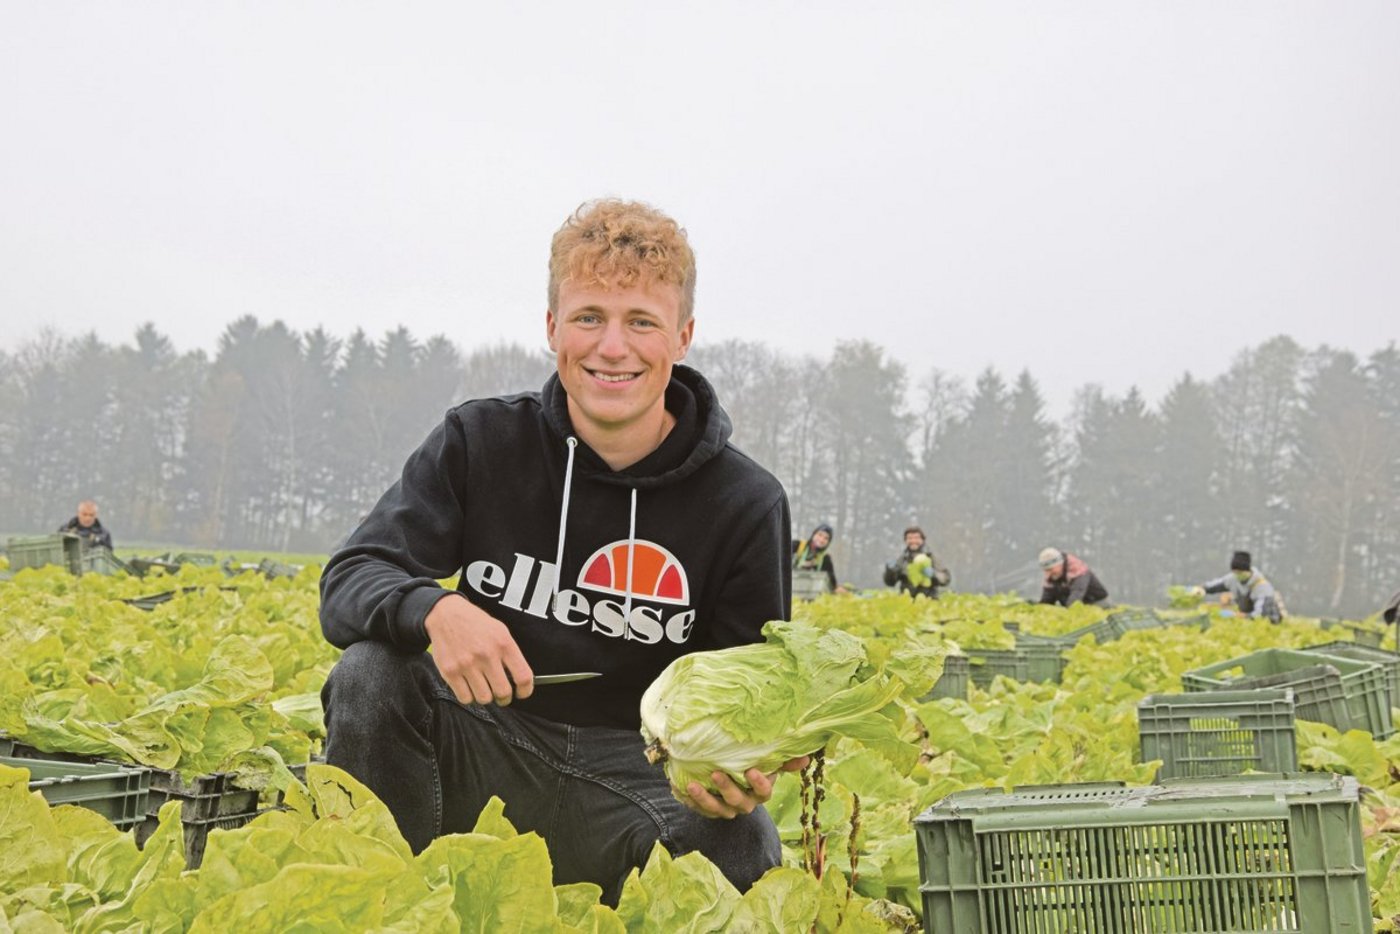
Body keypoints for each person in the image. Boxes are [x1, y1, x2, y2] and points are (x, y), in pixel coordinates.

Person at [318, 199, 806, 905]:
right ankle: (388, 906)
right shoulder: (480, 441)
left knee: (744, 838)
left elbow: (751, 689)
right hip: (489, 746)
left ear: (684, 335)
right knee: (371, 675)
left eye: (641, 321)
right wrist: (434, 609)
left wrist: (742, 763)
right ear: (552, 328)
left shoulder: (745, 501)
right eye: (588, 318)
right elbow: (350, 577)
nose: (613, 347)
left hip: (638, 784)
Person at [1192, 550, 1284, 623]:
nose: (1237, 575)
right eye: (1235, 572)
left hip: (1269, 622)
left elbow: (1260, 615)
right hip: (1246, 621)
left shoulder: (1262, 587)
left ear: (1247, 571)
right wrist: (1200, 589)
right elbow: (1214, 586)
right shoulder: (1233, 579)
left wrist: (1236, 615)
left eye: (1239, 573)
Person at [882, 526, 950, 599]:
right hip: (907, 601)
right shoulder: (903, 559)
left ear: (922, 540)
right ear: (906, 541)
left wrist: (933, 575)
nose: (913, 541)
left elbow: (945, 578)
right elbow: (890, 583)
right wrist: (890, 571)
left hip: (929, 600)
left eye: (916, 538)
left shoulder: (931, 557)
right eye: (910, 538)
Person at [1037, 547, 1109, 607]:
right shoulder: (1052, 576)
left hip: (1097, 603)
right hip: (1077, 608)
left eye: (1050, 569)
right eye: (1046, 570)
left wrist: (1069, 613)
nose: (1048, 573)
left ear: (1059, 564)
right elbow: (1047, 599)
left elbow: (1076, 595)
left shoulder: (1078, 570)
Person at [792, 521, 846, 594]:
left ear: (828, 542)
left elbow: (832, 581)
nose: (821, 540)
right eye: (820, 535)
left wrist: (838, 588)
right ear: (814, 534)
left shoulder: (825, 558)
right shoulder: (797, 545)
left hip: (810, 593)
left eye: (826, 538)